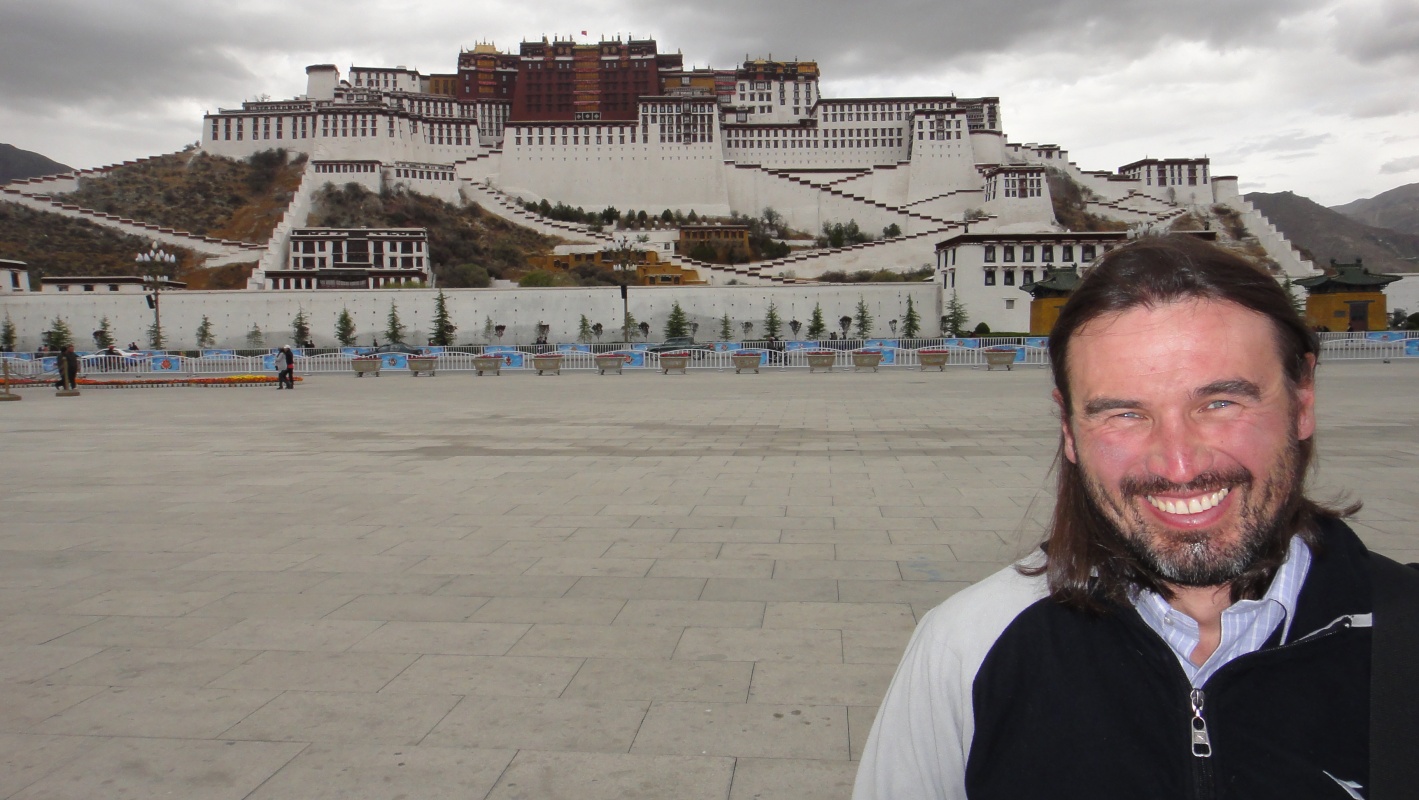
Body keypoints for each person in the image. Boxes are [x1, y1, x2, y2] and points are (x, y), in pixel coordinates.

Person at [854, 235, 1415, 799]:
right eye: (1124, 414)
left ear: (1302, 401)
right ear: (1069, 430)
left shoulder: (1401, 634)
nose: (1179, 464)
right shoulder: (967, 646)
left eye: (1220, 403)